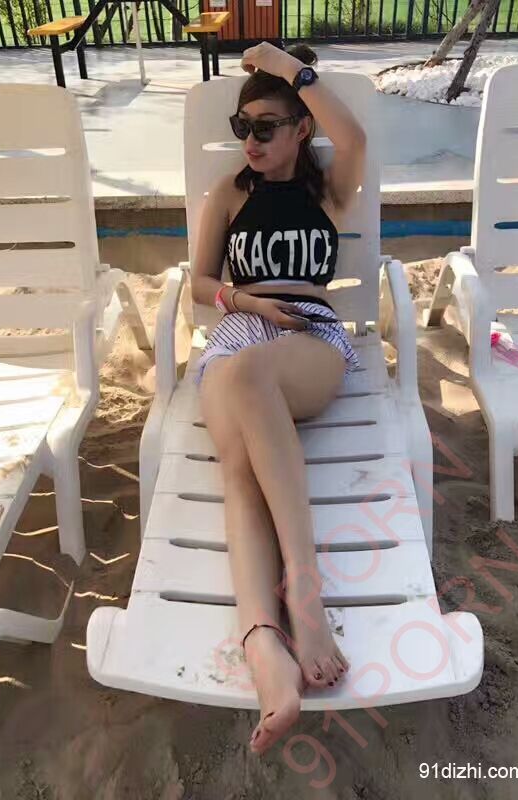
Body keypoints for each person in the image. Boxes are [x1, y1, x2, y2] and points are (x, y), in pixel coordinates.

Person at [190, 40, 366, 756]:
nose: (252, 141)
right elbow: (199, 283)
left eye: (267, 127)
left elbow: (353, 136)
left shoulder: (329, 189)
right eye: (243, 127)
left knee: (248, 379)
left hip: (310, 337)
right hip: (240, 328)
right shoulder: (229, 193)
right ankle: (265, 644)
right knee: (238, 464)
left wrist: (288, 67)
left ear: (301, 129)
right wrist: (247, 301)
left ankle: (304, 591)